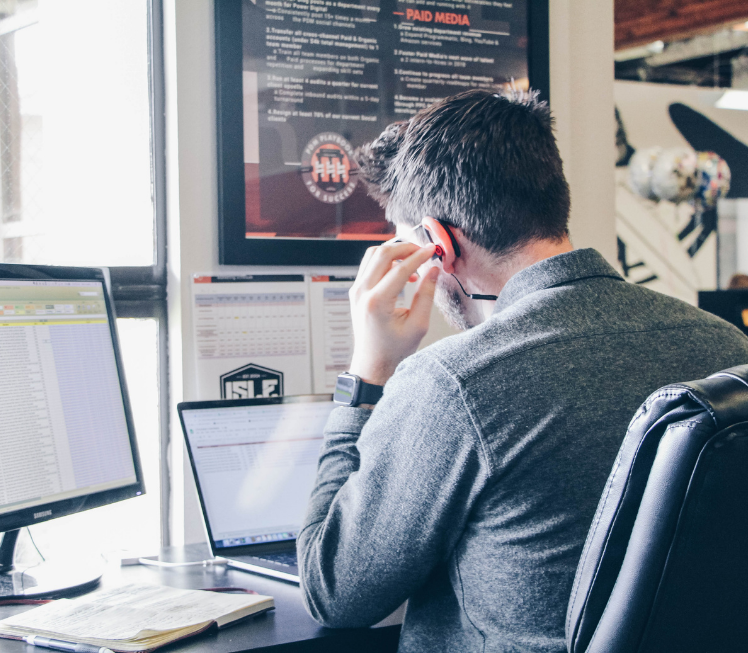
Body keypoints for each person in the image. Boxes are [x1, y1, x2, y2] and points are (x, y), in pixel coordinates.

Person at [297, 89, 748, 653]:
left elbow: (334, 592)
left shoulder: (455, 383)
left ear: (437, 245)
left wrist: (366, 374)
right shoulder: (727, 344)